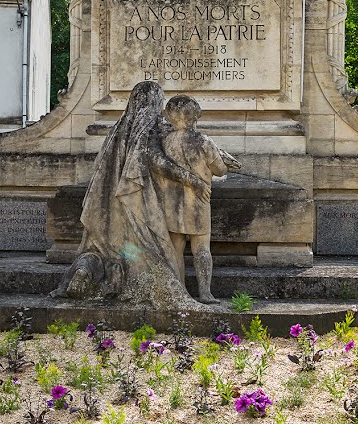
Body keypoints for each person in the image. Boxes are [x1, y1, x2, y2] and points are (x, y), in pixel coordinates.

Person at [56, 81, 208, 303]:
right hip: (136, 203)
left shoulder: (119, 128)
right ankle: (130, 279)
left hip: (108, 209)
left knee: (103, 251)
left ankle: (87, 270)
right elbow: (158, 161)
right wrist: (191, 178)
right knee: (154, 251)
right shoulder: (149, 127)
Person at [158, 94, 241, 303]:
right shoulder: (203, 141)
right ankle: (205, 292)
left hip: (172, 202)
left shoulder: (166, 141)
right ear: (196, 116)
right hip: (198, 201)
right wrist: (225, 163)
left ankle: (180, 291)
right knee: (201, 248)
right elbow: (219, 170)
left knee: (176, 246)